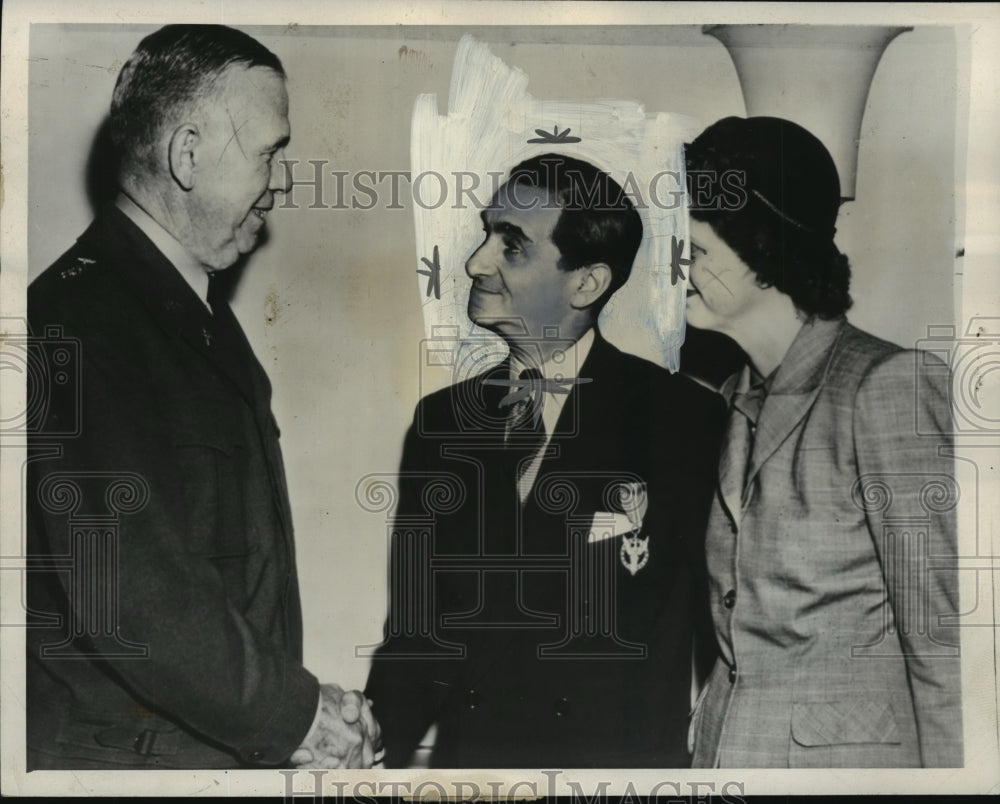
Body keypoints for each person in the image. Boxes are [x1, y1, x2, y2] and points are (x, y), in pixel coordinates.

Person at [26, 24, 379, 770]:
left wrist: (295, 710)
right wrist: (299, 715)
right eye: (269, 153)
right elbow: (133, 594)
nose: (279, 183)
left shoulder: (191, 315)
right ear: (187, 155)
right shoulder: (84, 322)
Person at [365, 153, 725, 768]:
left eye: (512, 247)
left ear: (586, 282)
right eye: (486, 234)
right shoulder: (441, 423)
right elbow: (418, 637)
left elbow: (721, 638)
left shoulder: (685, 421)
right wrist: (365, 743)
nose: (475, 261)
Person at [683, 116, 963, 768]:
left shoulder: (886, 386)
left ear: (761, 251)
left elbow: (943, 646)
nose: (677, 268)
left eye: (694, 250)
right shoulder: (730, 397)